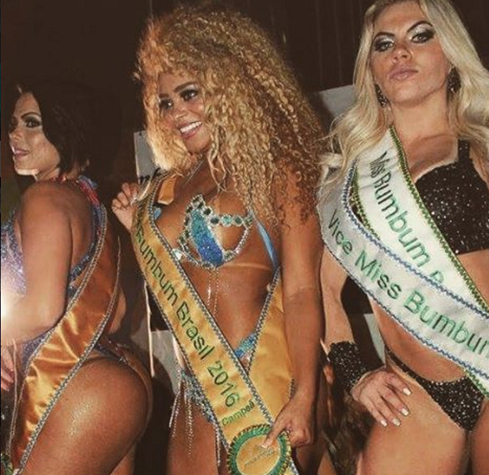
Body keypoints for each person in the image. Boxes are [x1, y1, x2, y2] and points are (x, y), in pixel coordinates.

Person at [112, 4, 334, 475]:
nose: (176, 114)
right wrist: (137, 226)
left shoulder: (280, 170)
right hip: (196, 392)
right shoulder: (171, 186)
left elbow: (301, 290)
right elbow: (177, 282)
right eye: (165, 103)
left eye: (189, 94)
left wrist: (305, 394)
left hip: (265, 383)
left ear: (231, 84)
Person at [319, 0, 489, 474]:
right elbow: (325, 293)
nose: (400, 51)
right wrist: (356, 376)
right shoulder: (350, 176)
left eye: (420, 36)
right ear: (372, 71)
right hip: (415, 391)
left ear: (452, 56)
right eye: (384, 44)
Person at [0, 81, 151, 475]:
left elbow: (43, 309)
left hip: (78, 387)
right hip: (117, 380)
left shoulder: (43, 199)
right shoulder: (92, 204)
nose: (15, 134)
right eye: (13, 123)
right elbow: (116, 315)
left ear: (65, 128)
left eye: (32, 123)